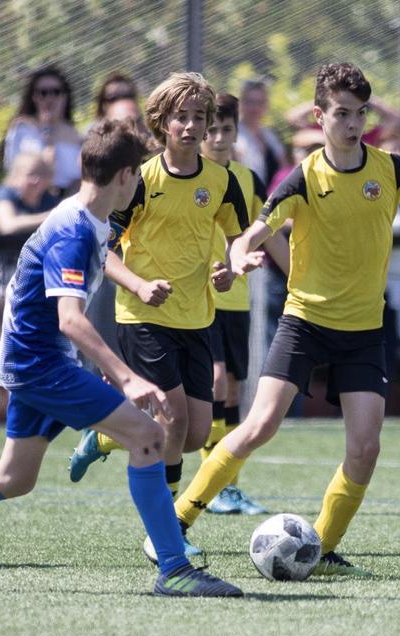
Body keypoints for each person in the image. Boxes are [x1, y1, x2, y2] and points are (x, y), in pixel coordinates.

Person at [0, 119, 242, 598]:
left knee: (13, 477)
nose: (141, 184)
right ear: (125, 175)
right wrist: (126, 378)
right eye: (138, 175)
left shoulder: (90, 220)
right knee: (148, 436)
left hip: (40, 360)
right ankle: (174, 567)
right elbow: (69, 320)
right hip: (41, 365)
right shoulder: (74, 230)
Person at [170, 63, 400, 576]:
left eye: (360, 113)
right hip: (305, 322)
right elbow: (259, 226)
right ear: (318, 116)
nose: (353, 123)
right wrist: (243, 252)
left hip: (363, 331)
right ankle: (174, 524)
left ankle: (325, 548)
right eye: (341, 113)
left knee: (365, 447)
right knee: (260, 426)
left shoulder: (390, 169)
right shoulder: (304, 176)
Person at [66, 73, 248, 551]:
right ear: (161, 123)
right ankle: (164, 535)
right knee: (173, 424)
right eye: (180, 117)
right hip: (142, 317)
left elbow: (235, 239)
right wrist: (140, 284)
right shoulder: (142, 180)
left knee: (195, 436)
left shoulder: (220, 180)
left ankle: (104, 438)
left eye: (199, 118)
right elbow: (102, 248)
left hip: (196, 318)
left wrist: (231, 270)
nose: (191, 126)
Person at [197, 92, 289, 516]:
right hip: (195, 299)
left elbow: (267, 232)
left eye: (226, 129)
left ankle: (228, 485)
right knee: (214, 382)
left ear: (237, 133)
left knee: (232, 387)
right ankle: (209, 485)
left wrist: (299, 277)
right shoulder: (187, 175)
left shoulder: (248, 179)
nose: (217, 137)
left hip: (235, 299)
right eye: (210, 129)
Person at [3, 66, 83, 194]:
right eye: (43, 93)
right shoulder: (22, 129)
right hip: (30, 198)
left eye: (56, 92)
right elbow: (12, 169)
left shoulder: (75, 134)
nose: (49, 98)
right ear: (34, 97)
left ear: (65, 96)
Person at [0, 152, 62, 235]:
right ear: (16, 177)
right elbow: (7, 226)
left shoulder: (50, 200)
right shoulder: (6, 194)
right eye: (30, 174)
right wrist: (50, 217)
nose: (36, 180)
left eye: (41, 174)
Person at [234, 80, 286, 186]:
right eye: (250, 102)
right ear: (241, 103)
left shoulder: (270, 135)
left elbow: (283, 168)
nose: (255, 108)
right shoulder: (233, 135)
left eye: (260, 102)